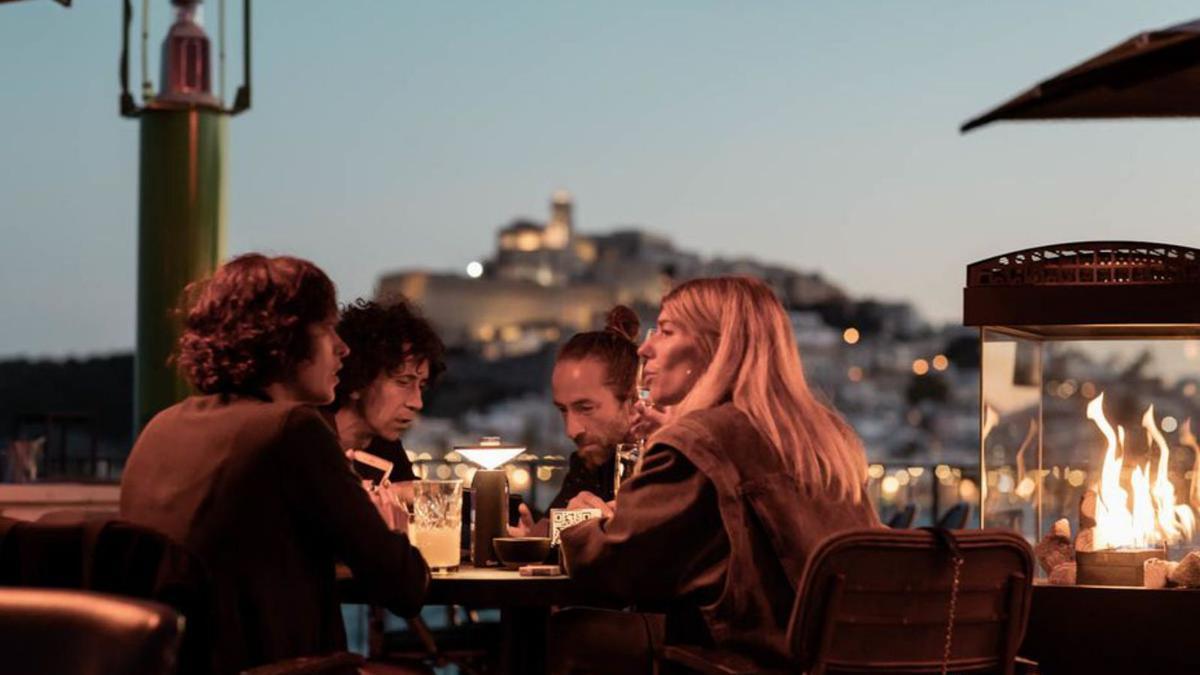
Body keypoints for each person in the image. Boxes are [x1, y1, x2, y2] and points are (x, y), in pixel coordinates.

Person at [120, 254, 430, 674]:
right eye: (327, 330)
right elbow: (402, 586)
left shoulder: (161, 428)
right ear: (287, 340)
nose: (343, 347)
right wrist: (395, 530)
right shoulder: (290, 430)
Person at [557, 277, 881, 673]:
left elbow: (610, 568)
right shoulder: (826, 437)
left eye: (667, 330)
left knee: (564, 635)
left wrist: (579, 522)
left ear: (715, 347)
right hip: (840, 660)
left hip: (745, 661)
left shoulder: (698, 441)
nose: (645, 347)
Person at [511, 306, 641, 536]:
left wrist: (550, 535)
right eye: (563, 410)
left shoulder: (661, 462)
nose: (572, 430)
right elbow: (555, 531)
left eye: (585, 408)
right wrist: (534, 538)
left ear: (632, 401)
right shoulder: (590, 461)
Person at [329, 297, 446, 506]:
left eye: (421, 386)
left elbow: (423, 501)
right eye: (403, 382)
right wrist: (395, 493)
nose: (417, 403)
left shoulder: (385, 447)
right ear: (359, 380)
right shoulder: (307, 436)